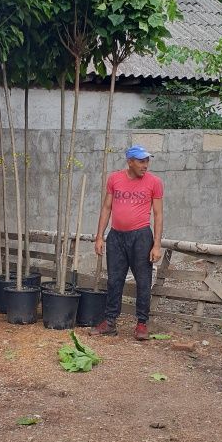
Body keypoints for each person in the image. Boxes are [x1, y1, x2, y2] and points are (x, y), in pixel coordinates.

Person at [92, 145, 163, 340]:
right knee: (114, 280)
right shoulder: (114, 179)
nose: (145, 165)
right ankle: (110, 322)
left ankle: (141, 323)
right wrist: (100, 236)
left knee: (143, 280)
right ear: (129, 161)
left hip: (141, 237)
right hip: (116, 237)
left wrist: (156, 244)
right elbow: (107, 208)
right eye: (141, 161)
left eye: (147, 160)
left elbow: (158, 214)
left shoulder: (155, 182)